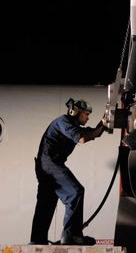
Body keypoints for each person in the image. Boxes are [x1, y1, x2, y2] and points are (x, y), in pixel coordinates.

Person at [30, 97, 107, 246]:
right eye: (86, 114)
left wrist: (105, 121)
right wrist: (101, 126)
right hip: (49, 163)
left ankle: (37, 239)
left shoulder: (73, 126)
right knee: (75, 191)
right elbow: (83, 139)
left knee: (46, 202)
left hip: (44, 166)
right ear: (75, 112)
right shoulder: (64, 121)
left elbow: (94, 133)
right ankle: (71, 235)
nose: (88, 117)